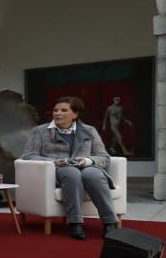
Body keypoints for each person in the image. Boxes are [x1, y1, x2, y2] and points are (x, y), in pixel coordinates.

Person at [21, 96, 118, 240]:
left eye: (63, 110)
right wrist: (55, 161)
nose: (58, 113)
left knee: (94, 175)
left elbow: (103, 157)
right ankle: (75, 222)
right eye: (55, 110)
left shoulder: (89, 131)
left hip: (86, 168)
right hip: (56, 171)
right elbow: (29, 155)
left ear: (75, 114)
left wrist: (87, 160)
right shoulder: (40, 131)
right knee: (71, 173)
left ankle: (110, 222)